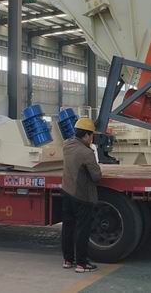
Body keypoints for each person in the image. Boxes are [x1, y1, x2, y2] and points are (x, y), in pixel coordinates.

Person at [61, 117, 103, 273]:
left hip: (66, 192)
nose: (92, 139)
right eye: (91, 135)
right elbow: (96, 177)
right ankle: (81, 264)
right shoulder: (86, 153)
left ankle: (68, 260)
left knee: (68, 227)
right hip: (81, 196)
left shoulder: (66, 145)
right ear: (86, 135)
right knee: (82, 230)